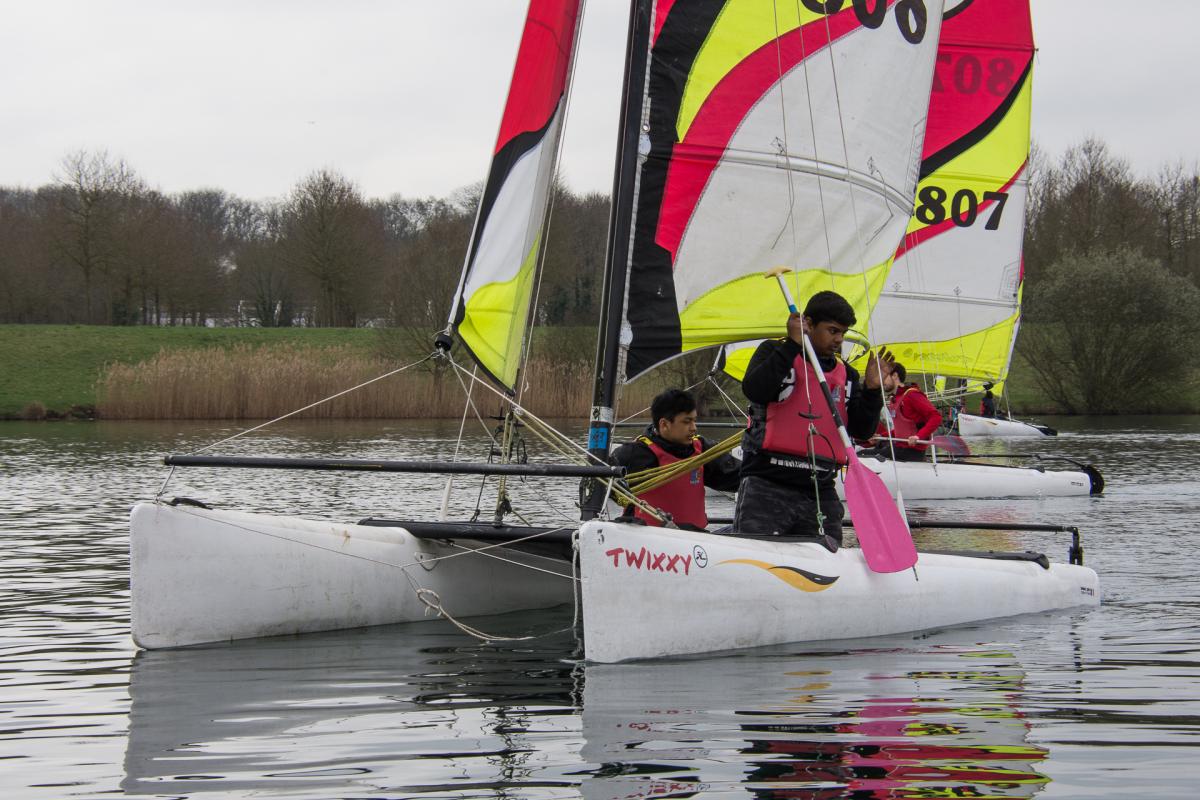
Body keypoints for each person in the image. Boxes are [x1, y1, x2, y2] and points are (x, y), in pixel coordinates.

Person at [734, 290, 892, 548]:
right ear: (808, 324)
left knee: (828, 560)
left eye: (843, 333)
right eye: (832, 331)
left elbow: (862, 431)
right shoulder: (774, 351)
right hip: (767, 485)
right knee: (758, 559)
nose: (839, 339)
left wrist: (873, 391)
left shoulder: (848, 375)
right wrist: (792, 345)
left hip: (820, 492)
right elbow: (755, 390)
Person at [608, 388, 740, 531]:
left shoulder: (703, 450)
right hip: (650, 540)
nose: (694, 428)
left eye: (694, 421)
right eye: (687, 422)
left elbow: (738, 476)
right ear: (664, 424)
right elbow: (599, 484)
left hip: (697, 539)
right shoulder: (633, 454)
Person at [870, 363, 942, 461]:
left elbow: (936, 417)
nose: (881, 382)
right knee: (861, 454)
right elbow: (902, 430)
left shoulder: (912, 395)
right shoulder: (895, 399)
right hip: (899, 449)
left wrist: (918, 436)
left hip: (911, 452)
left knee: (862, 455)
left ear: (895, 375)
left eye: (883, 377)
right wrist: (881, 436)